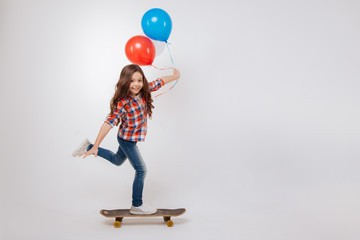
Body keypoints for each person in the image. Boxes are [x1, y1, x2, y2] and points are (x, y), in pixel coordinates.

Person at [72, 64, 180, 214]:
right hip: (126, 140)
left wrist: (175, 76)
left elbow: (159, 82)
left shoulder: (144, 90)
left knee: (117, 160)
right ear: (125, 82)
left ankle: (88, 147)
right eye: (131, 81)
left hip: (129, 138)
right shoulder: (123, 102)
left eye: (139, 80)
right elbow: (108, 123)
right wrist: (98, 144)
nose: (136, 84)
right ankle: (137, 205)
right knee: (141, 170)